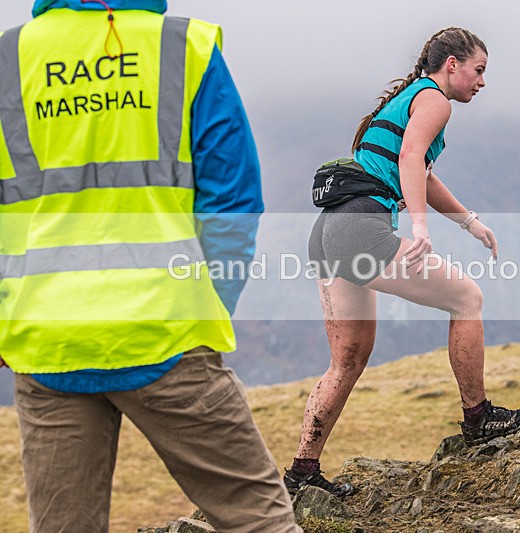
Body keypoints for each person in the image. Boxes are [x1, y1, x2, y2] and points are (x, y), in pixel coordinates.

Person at [0, 2, 300, 532]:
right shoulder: (184, 47)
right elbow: (232, 201)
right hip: (168, 330)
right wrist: (210, 304)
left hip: (48, 339)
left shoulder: (9, 57)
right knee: (259, 519)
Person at [284, 27, 520, 497]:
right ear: (453, 65)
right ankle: (478, 417)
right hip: (361, 229)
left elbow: (419, 171)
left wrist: (469, 222)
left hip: (328, 233)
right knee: (467, 298)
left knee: (348, 359)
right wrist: (419, 228)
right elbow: (410, 156)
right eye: (479, 71)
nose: (482, 82)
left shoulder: (408, 100)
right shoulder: (434, 99)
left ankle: (302, 472)